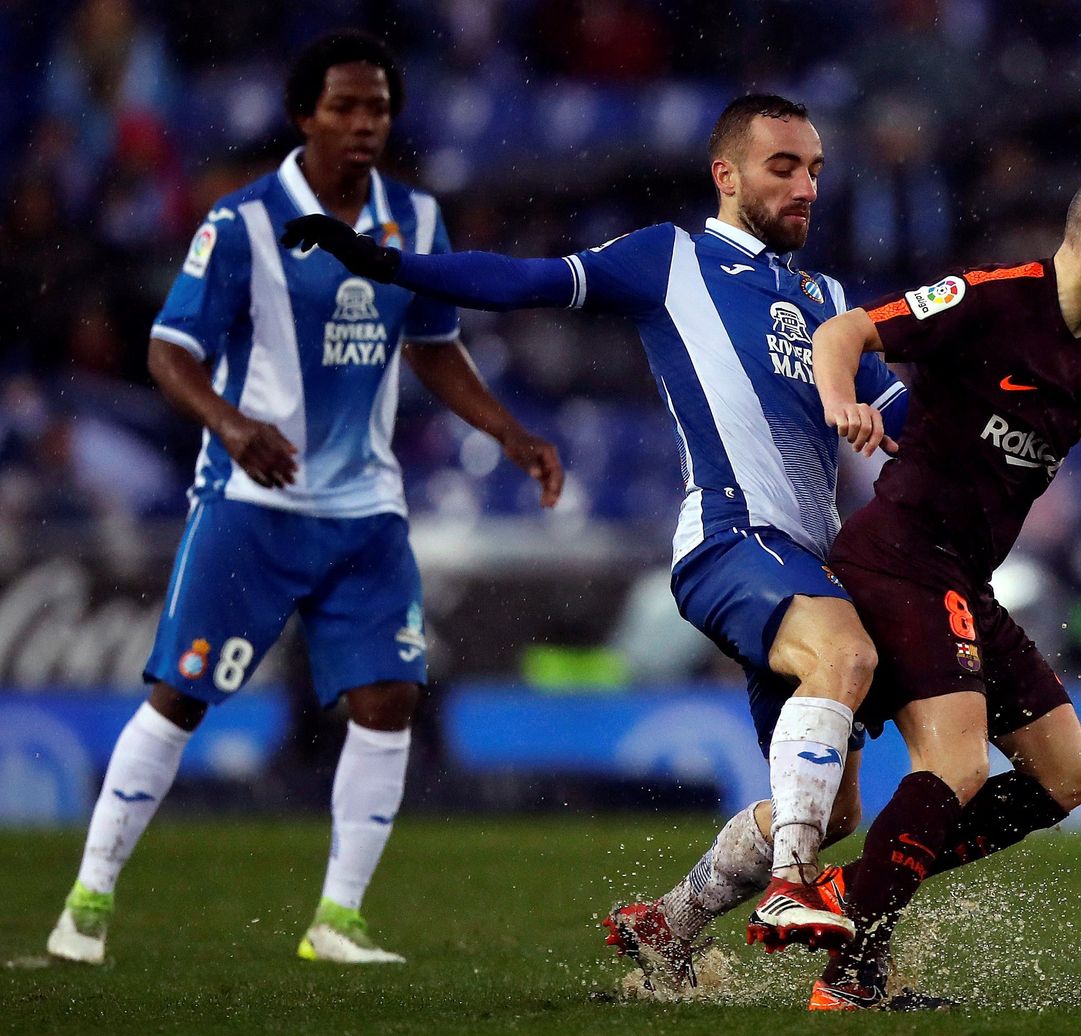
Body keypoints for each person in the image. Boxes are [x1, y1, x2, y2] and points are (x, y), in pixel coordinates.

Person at [280, 94, 910, 980]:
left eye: (814, 169)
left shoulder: (830, 300)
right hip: (732, 535)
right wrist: (384, 264)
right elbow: (526, 281)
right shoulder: (671, 258)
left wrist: (1015, 421)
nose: (806, 186)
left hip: (810, 557)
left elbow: (901, 414)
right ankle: (792, 886)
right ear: (726, 175)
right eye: (783, 167)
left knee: (831, 806)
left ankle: (672, 922)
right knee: (845, 657)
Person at [45, 29, 563, 967]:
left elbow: (435, 344)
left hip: (365, 510)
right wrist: (234, 426)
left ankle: (338, 921)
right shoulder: (240, 223)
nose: (365, 125)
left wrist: (509, 433)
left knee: (391, 696)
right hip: (252, 501)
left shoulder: (416, 219)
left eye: (378, 109)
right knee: (178, 697)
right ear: (303, 116)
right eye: (345, 108)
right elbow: (170, 350)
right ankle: (88, 897)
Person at [802, 164, 1081, 1010]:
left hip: (962, 575)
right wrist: (841, 405)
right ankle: (852, 975)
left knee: (1069, 777)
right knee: (958, 763)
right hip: (897, 554)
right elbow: (844, 333)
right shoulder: (990, 299)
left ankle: (853, 894)